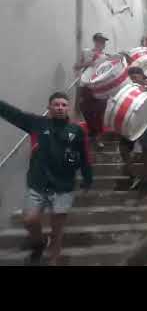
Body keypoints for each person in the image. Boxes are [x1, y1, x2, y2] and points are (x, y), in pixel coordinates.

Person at [0, 92, 92, 265]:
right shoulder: (37, 123)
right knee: (30, 220)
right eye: (56, 104)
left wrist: (88, 178)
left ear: (68, 109)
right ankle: (40, 242)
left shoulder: (77, 130)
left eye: (64, 105)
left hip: (63, 186)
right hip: (37, 183)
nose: (60, 108)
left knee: (57, 229)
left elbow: (85, 156)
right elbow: (14, 114)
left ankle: (54, 258)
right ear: (49, 108)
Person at [73, 32, 109, 150]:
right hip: (86, 85)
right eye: (100, 41)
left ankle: (98, 138)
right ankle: (92, 132)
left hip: (100, 86)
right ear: (95, 41)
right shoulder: (86, 52)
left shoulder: (106, 57)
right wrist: (88, 63)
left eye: (103, 41)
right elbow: (76, 66)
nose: (102, 43)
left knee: (99, 113)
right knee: (85, 109)